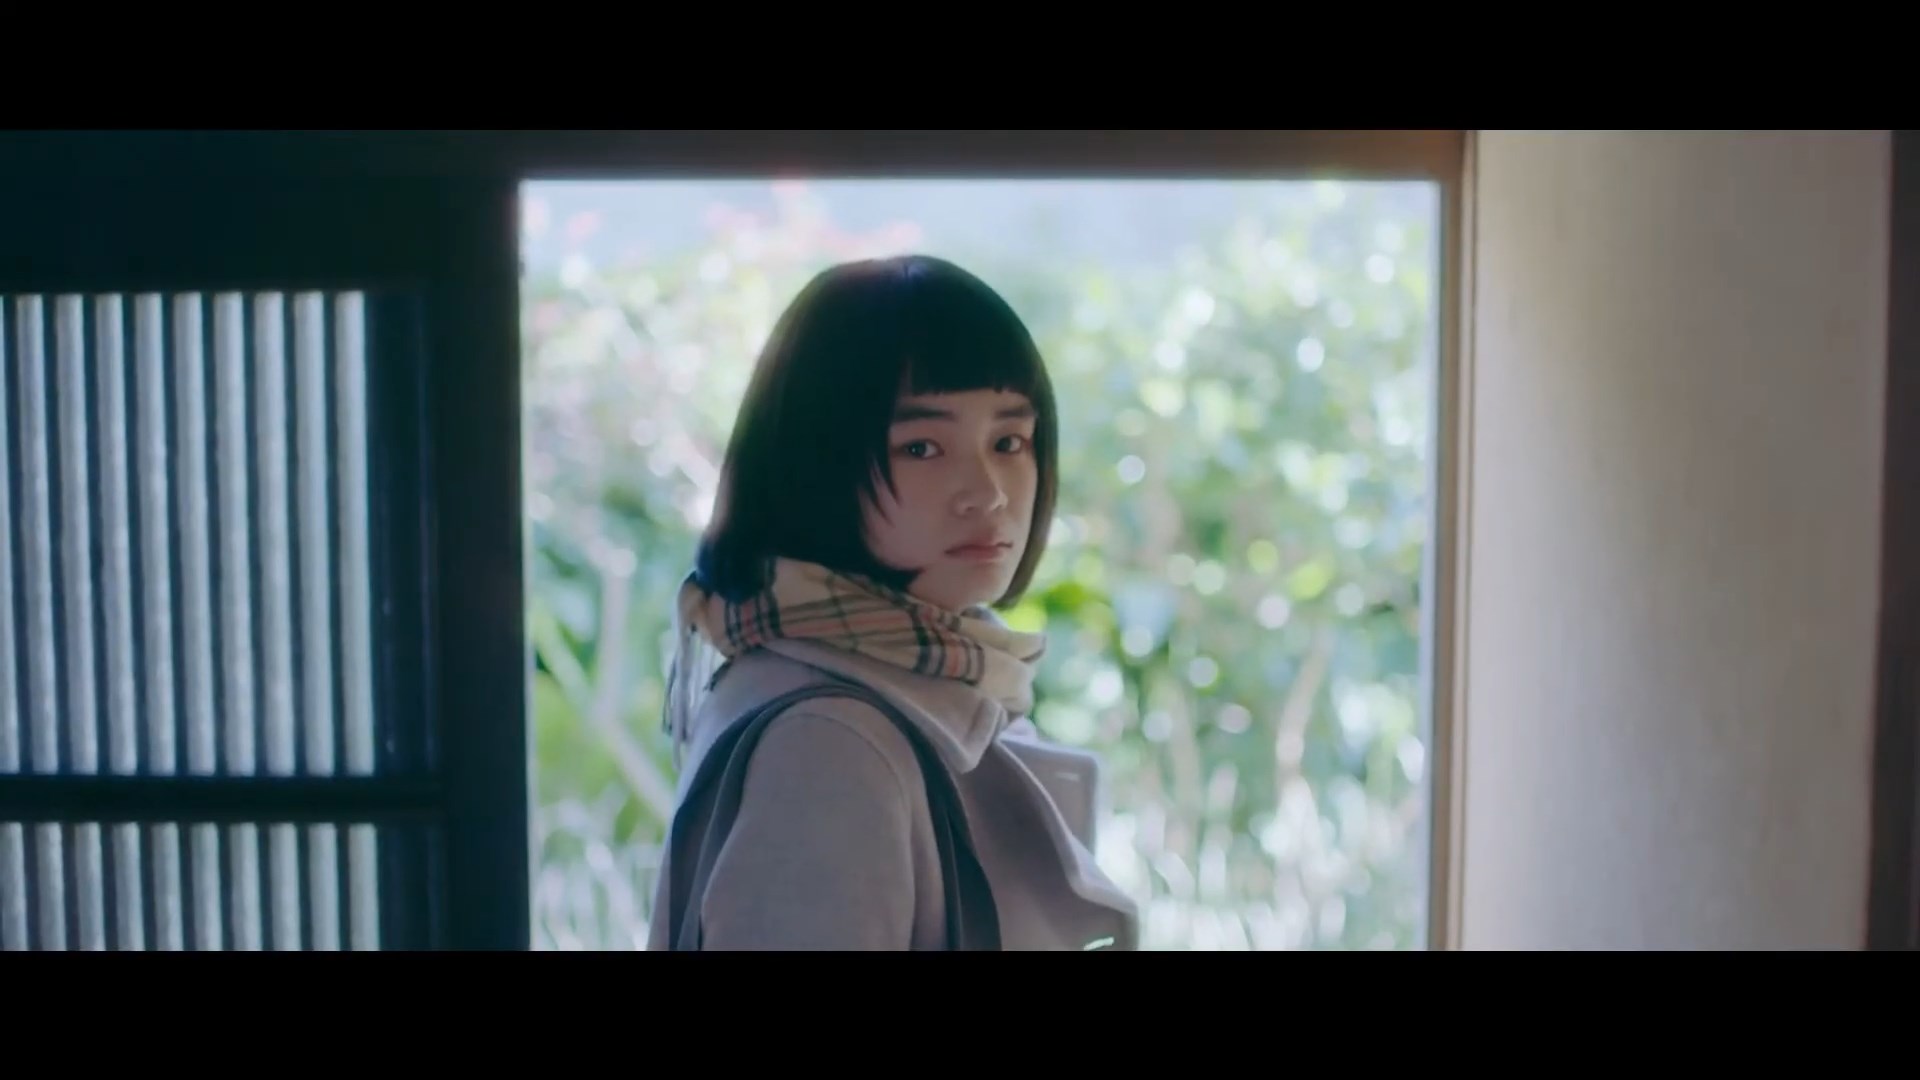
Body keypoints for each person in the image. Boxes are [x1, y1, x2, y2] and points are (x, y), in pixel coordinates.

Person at [647, 253, 1140, 951]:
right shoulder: (829, 742)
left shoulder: (880, 681)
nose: (988, 493)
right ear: (818, 465)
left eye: (1008, 441)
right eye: (921, 448)